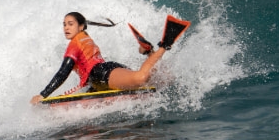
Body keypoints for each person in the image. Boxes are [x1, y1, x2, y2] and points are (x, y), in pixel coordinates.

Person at [30, 12, 187, 105]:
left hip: (103, 74)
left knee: (141, 78)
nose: (66, 28)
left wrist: (43, 94)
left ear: (81, 26)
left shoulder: (75, 44)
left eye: (70, 24)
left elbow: (62, 73)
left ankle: (164, 44)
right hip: (105, 73)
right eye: (64, 24)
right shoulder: (85, 37)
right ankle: (148, 53)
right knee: (161, 81)